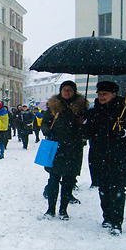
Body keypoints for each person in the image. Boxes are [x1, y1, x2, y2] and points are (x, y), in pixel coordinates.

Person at [84, 81, 126, 235]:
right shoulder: (93, 111)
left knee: (117, 189)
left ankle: (117, 222)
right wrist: (83, 125)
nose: (101, 96)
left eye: (105, 94)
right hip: (100, 156)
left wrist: (125, 132)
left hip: (121, 157)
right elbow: (87, 133)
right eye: (99, 94)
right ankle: (107, 218)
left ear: (114, 94)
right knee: (103, 188)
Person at [41, 81, 88, 220]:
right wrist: (47, 131)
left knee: (68, 180)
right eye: (65, 90)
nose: (67, 92)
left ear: (74, 92)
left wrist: (83, 122)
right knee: (53, 179)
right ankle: (50, 209)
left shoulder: (81, 108)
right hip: (56, 147)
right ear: (61, 91)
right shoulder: (54, 106)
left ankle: (63, 210)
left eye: (70, 90)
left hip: (74, 148)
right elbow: (44, 122)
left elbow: (86, 127)